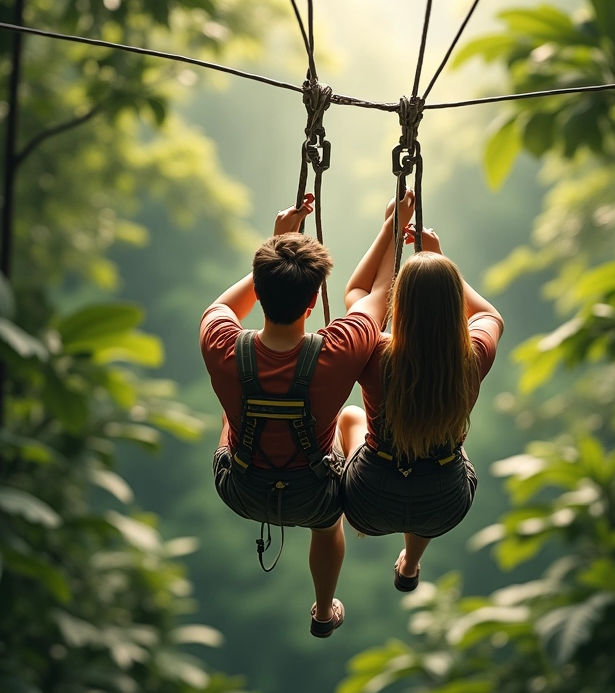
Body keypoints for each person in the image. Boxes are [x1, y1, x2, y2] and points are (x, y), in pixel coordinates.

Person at [199, 191, 415, 637]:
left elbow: (223, 307)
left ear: (259, 293)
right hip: (311, 495)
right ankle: (322, 609)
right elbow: (379, 292)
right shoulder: (340, 347)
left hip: (240, 486)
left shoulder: (219, 342)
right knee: (328, 508)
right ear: (314, 301)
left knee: (230, 409)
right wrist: (393, 228)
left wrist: (276, 242)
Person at [339, 209, 504, 592]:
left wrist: (390, 233)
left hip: (367, 501)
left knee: (348, 417)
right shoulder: (473, 357)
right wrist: (440, 258)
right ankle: (410, 563)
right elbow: (488, 314)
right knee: (445, 461)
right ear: (453, 305)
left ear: (401, 304)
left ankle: (339, 521)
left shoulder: (375, 355)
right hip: (443, 504)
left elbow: (359, 295)